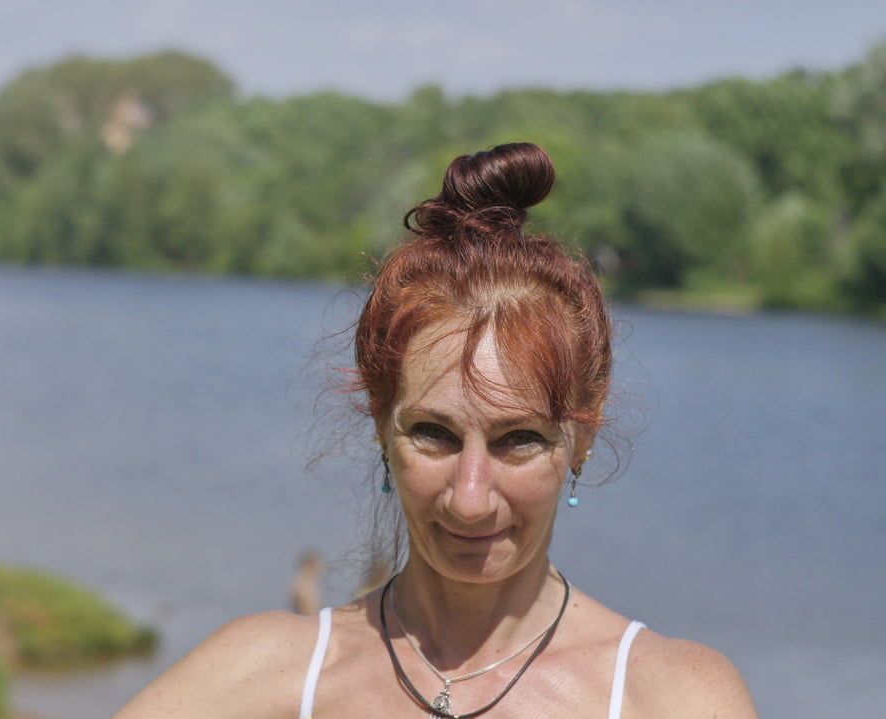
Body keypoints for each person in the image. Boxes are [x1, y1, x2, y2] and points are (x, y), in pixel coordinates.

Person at [113, 143, 758, 718]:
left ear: (580, 437)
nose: (470, 498)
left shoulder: (671, 698)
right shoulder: (268, 678)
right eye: (434, 434)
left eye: (519, 439)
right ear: (378, 421)